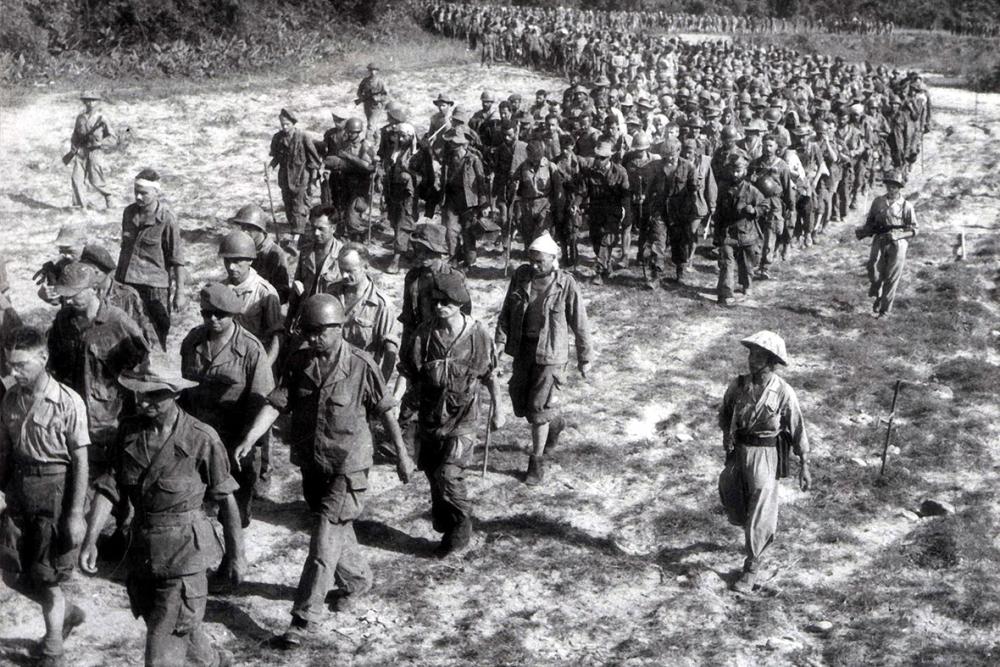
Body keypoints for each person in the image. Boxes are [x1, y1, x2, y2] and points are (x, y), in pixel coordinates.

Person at [233, 294, 414, 648]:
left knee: (323, 537)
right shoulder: (300, 361)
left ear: (339, 328)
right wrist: (250, 438)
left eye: (320, 332)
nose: (312, 338)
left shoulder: (362, 365)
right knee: (332, 526)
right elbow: (277, 402)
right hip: (314, 463)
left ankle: (304, 619)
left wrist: (402, 456)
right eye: (308, 331)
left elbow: (386, 411)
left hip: (349, 464)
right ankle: (358, 579)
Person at [80, 358, 245, 667]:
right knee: (173, 625)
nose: (143, 401)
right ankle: (213, 662)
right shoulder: (129, 432)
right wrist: (90, 539)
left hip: (185, 556)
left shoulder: (201, 438)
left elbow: (226, 498)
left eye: (153, 394)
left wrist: (236, 555)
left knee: (160, 655)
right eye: (138, 393)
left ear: (175, 393)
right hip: (143, 554)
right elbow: (109, 487)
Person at [1, 325, 90, 667]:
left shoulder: (68, 402)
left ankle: (53, 649)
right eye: (11, 364)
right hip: (19, 491)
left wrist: (76, 514)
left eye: (21, 364)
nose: (13, 371)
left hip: (55, 493)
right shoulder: (10, 398)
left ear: (43, 357)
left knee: (48, 576)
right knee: (11, 571)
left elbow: (81, 460)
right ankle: (65, 613)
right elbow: (5, 451)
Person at [397, 273, 503, 557]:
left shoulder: (477, 335)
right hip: (432, 418)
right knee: (433, 473)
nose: (440, 306)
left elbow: (490, 376)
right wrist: (406, 416)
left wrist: (499, 409)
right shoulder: (424, 334)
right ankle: (448, 526)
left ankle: (462, 525)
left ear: (460, 303)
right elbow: (413, 378)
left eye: (447, 302)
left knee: (449, 475)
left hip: (464, 419)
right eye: (435, 301)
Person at [718, 330, 811, 593]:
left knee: (761, 507)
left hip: (765, 454)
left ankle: (752, 564)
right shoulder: (738, 385)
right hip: (739, 451)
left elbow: (797, 428)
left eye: (758, 355)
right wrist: (727, 434)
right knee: (729, 491)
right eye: (750, 353)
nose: (752, 359)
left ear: (771, 360)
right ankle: (750, 533)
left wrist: (805, 464)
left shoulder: (783, 391)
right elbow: (725, 412)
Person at [495, 233, 592, 485]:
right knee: (521, 402)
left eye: (540, 261)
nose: (535, 265)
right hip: (523, 349)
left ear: (553, 259)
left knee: (537, 409)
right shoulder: (521, 276)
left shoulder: (566, 284)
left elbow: (580, 322)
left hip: (551, 354)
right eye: (532, 260)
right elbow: (507, 310)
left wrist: (585, 357)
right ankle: (555, 422)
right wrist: (498, 342)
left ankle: (536, 463)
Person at [180, 283, 275, 534]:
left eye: (219, 314)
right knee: (195, 504)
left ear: (233, 315)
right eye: (206, 313)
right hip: (198, 437)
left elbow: (262, 399)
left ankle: (232, 560)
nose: (212, 319)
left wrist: (250, 440)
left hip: (234, 439)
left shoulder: (251, 349)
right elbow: (185, 389)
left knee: (234, 508)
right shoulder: (193, 341)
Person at [47, 262, 150, 474]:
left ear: (93, 289)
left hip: (111, 421)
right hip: (74, 417)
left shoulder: (118, 322)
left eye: (74, 294)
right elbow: (55, 366)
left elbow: (142, 370)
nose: (67, 300)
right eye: (64, 294)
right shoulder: (63, 320)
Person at [115, 169, 186, 350]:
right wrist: (117, 281)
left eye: (144, 193)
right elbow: (124, 250)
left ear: (157, 192)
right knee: (127, 332)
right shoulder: (129, 213)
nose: (138, 197)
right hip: (128, 283)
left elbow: (177, 259)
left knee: (156, 333)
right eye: (135, 191)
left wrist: (180, 293)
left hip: (155, 288)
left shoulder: (167, 219)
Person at [325, 244, 399, 382]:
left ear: (365, 267)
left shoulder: (381, 305)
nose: (344, 275)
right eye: (341, 270)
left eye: (350, 270)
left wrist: (380, 388)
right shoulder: (331, 292)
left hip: (360, 378)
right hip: (329, 372)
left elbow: (390, 353)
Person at [855, 169, 917, 319]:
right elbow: (870, 221)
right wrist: (865, 230)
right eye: (889, 185)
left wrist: (899, 235)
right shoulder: (878, 202)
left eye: (894, 186)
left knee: (892, 277)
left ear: (899, 187)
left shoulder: (906, 206)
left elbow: (914, 229)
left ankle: (884, 311)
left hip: (898, 244)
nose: (891, 188)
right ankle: (878, 293)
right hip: (880, 239)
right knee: (873, 268)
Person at [218, 231, 283, 364]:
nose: (231, 267)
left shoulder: (265, 293)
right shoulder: (220, 289)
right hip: (227, 360)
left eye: (237, 261)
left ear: (250, 260)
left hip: (256, 360)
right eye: (227, 260)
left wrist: (265, 367)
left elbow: (277, 336)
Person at [79, 243, 157, 347]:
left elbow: (142, 331)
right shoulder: (81, 293)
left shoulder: (127, 295)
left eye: (95, 273)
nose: (90, 277)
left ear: (106, 271)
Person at [713, 155, 765, 307]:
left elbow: (764, 205)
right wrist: (717, 235)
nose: (735, 174)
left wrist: (754, 210)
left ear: (745, 171)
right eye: (732, 171)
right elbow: (719, 214)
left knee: (747, 263)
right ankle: (725, 293)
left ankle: (746, 285)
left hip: (746, 233)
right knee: (726, 263)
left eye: (738, 171)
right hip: (728, 233)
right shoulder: (723, 189)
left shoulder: (751, 190)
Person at [578, 140, 630, 284]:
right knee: (596, 240)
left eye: (602, 158)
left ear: (609, 158)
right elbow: (583, 191)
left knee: (605, 241)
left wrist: (625, 213)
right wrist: (576, 205)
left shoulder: (619, 171)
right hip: (595, 211)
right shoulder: (590, 172)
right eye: (597, 157)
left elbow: (625, 194)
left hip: (613, 212)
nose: (598, 160)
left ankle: (598, 272)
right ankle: (607, 266)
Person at [270, 109, 322, 245]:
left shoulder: (303, 137)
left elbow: (314, 160)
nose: (284, 127)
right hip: (285, 179)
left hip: (301, 177)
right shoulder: (278, 138)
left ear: (293, 123)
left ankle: (297, 236)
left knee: (299, 206)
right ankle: (298, 230)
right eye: (282, 124)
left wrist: (313, 180)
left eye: (287, 124)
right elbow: (276, 158)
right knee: (288, 205)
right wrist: (269, 170)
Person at [286, 205, 343, 328]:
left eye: (321, 229)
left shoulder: (342, 255)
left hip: (329, 320)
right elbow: (296, 291)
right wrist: (289, 321)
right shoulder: (306, 252)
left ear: (333, 228)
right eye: (313, 228)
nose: (316, 233)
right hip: (305, 315)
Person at [441, 131, 490, 267]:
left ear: (464, 145)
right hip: (452, 201)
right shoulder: (449, 158)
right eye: (452, 142)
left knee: (469, 235)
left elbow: (481, 183)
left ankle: (469, 262)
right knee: (450, 232)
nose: (452, 145)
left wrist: (484, 204)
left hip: (470, 203)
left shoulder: (474, 160)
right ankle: (454, 259)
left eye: (456, 143)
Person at [323, 117, 376, 241]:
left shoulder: (364, 145)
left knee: (353, 214)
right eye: (348, 131)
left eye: (352, 132)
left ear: (359, 132)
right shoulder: (345, 143)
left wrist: (348, 157)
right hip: (344, 182)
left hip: (359, 185)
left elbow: (368, 167)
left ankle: (358, 236)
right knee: (340, 209)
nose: (349, 134)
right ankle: (343, 234)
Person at [228, 203, 292, 305]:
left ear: (260, 229)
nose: (244, 232)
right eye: (242, 227)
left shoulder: (275, 253)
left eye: (249, 228)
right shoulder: (241, 248)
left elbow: (283, 293)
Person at [68, 91, 115, 209]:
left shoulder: (102, 118)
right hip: (81, 151)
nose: (90, 103)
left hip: (95, 152)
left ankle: (108, 196)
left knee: (95, 180)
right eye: (87, 100)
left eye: (93, 100)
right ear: (84, 102)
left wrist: (101, 143)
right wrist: (73, 146)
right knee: (76, 178)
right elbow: (75, 135)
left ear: (97, 102)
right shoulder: (80, 118)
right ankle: (80, 206)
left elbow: (113, 138)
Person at [34, 226, 87, 306]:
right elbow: (57, 300)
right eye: (61, 251)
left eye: (70, 251)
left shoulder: (95, 266)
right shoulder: (64, 264)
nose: (66, 256)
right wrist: (46, 294)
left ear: (84, 244)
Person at [355, 63, 388, 133]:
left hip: (376, 106)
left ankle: (368, 141)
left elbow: (386, 95)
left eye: (374, 70)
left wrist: (378, 98)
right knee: (372, 124)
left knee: (371, 124)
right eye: (371, 70)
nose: (373, 72)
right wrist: (362, 98)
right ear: (368, 71)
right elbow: (359, 92)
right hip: (367, 105)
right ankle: (377, 139)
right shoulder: (365, 81)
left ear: (377, 71)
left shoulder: (380, 82)